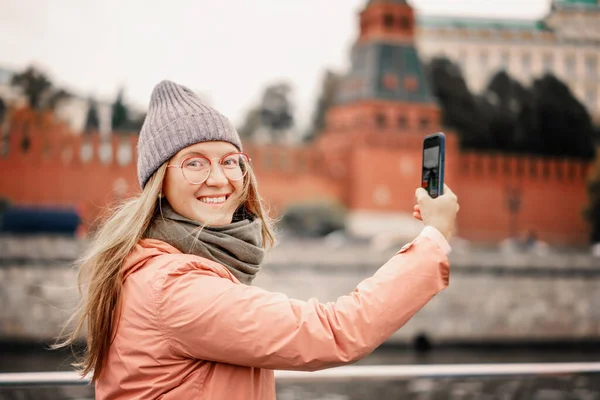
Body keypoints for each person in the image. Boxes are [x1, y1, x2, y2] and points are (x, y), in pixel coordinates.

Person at [56, 80, 459, 400]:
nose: (219, 178)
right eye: (194, 162)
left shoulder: (154, 266)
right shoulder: (174, 288)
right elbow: (337, 331)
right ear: (159, 185)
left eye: (230, 160)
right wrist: (434, 237)